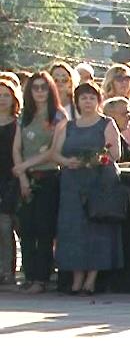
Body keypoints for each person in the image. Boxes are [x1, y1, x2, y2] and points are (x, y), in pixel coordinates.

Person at [47, 82, 124, 295]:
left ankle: (91, 279)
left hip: (99, 182)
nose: (87, 102)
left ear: (98, 101)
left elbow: (115, 154)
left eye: (91, 98)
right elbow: (54, 153)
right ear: (77, 102)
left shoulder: (107, 123)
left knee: (96, 229)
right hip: (72, 184)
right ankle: (76, 277)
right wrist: (67, 161)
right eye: (83, 98)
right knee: (73, 229)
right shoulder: (68, 126)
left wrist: (96, 160)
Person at [10, 72, 65, 293]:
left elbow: (54, 151)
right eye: (36, 87)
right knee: (26, 228)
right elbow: (17, 148)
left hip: (48, 176)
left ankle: (41, 278)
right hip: (26, 178)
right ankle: (30, 275)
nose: (40, 92)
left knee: (44, 228)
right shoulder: (24, 116)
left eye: (44, 87)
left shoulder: (58, 116)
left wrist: (25, 165)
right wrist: (23, 176)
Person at [0, 78, 18, 284]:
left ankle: (8, 272)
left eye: (6, 95)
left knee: (6, 226)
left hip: (12, 179)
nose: (2, 99)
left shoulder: (18, 125)